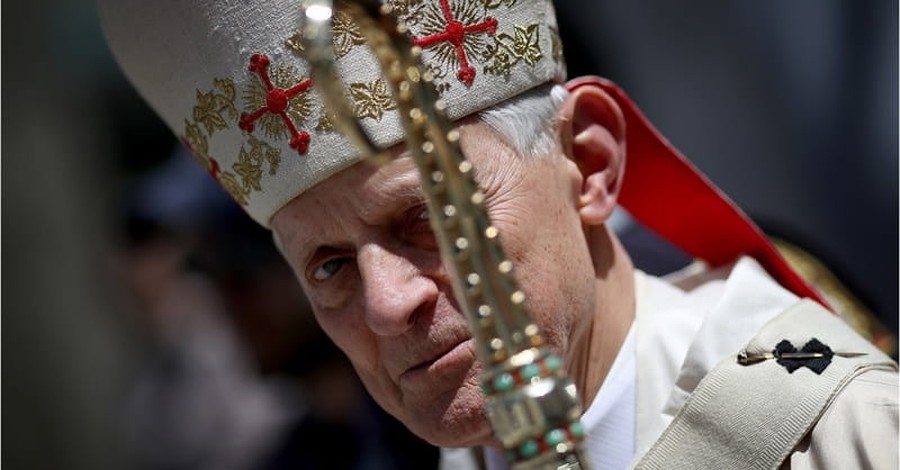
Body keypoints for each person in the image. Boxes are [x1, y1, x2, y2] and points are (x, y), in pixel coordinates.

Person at [97, 1, 898, 469]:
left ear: (587, 164)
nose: (384, 306)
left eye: (424, 218)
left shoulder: (845, 437)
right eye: (330, 265)